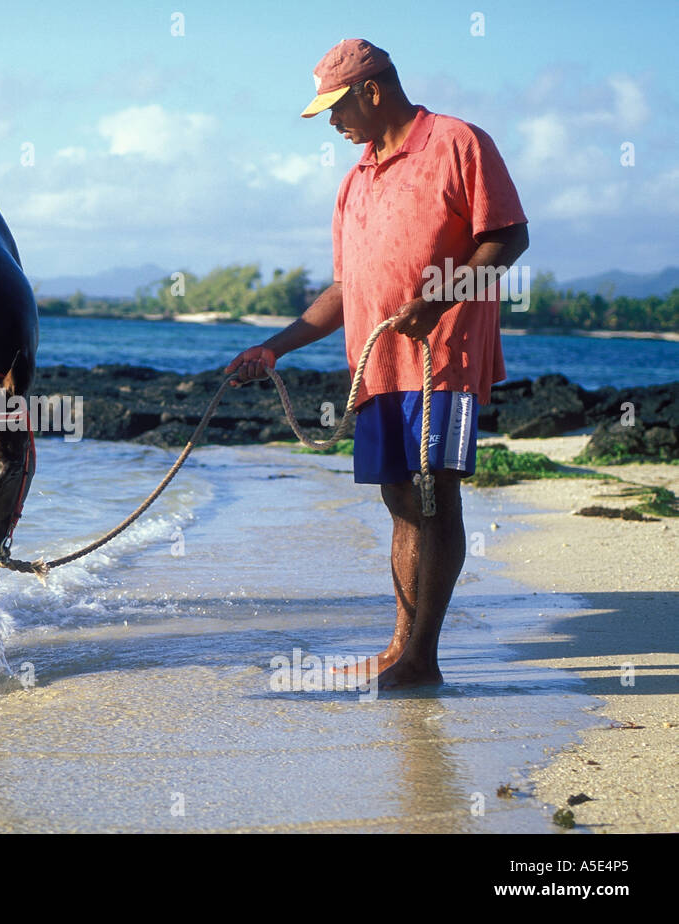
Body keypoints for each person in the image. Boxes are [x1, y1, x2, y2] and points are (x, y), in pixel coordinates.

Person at [226, 39, 529, 688]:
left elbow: (508, 237)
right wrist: (274, 346)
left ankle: (423, 658)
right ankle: (399, 647)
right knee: (399, 502)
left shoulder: (458, 143)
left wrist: (440, 298)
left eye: (336, 108)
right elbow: (345, 289)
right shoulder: (355, 180)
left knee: (434, 495)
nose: (331, 123)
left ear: (372, 90)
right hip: (378, 369)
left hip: (442, 359)